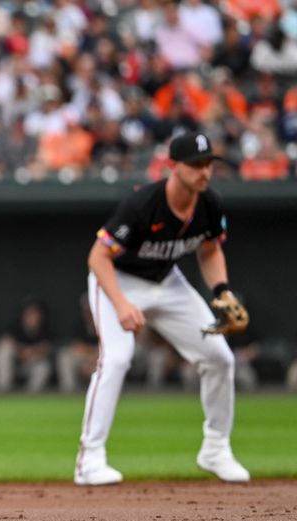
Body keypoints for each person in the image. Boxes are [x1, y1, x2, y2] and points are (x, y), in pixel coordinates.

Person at [74, 132, 250, 486]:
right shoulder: (143, 204)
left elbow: (211, 249)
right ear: (172, 167)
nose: (204, 172)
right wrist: (121, 305)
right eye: (196, 164)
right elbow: (97, 256)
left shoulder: (209, 204)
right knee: (118, 358)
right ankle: (89, 460)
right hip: (117, 281)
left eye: (208, 164)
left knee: (220, 358)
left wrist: (223, 291)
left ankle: (216, 449)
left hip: (167, 283)